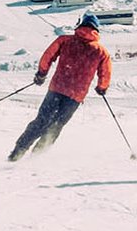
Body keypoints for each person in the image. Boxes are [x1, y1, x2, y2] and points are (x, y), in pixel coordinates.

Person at [8, 13, 112, 161]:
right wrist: (102, 87)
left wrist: (41, 74)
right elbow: (106, 72)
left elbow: (48, 56)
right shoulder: (101, 52)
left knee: (41, 121)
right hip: (75, 96)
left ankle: (17, 153)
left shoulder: (65, 40)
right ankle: (36, 158)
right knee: (56, 126)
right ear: (96, 30)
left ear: (80, 25)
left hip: (57, 88)